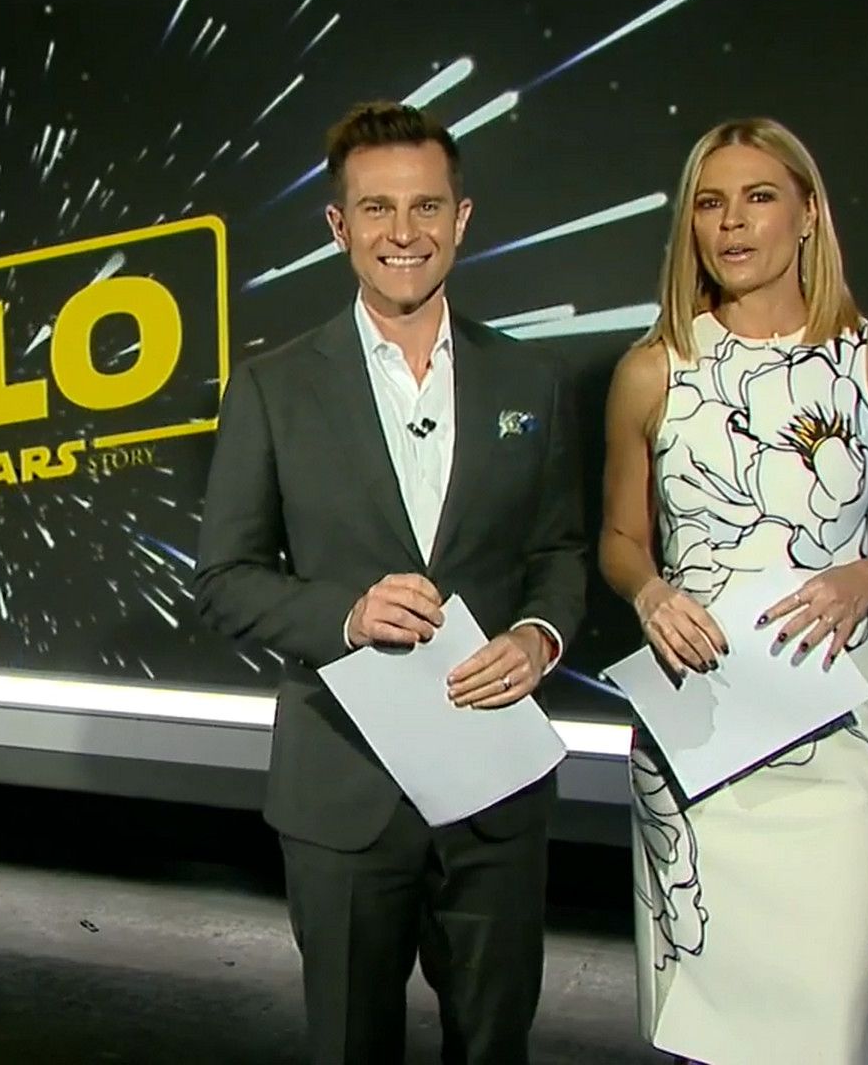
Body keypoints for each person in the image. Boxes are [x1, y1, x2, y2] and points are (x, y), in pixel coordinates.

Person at [193, 101, 588, 1065]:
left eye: (425, 207)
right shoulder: (273, 388)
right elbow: (226, 581)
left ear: (462, 218)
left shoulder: (530, 382)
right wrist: (347, 614)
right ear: (340, 226)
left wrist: (539, 637)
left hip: (492, 786)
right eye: (377, 209)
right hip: (344, 793)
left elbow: (560, 553)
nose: (402, 233)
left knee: (493, 1048)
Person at [598, 118, 868, 1064]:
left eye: (758, 197)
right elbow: (621, 541)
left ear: (808, 214)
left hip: (836, 733)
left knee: (822, 1026)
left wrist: (866, 576)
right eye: (710, 203)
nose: (733, 223)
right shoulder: (651, 371)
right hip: (701, 728)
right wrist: (650, 595)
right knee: (704, 1029)